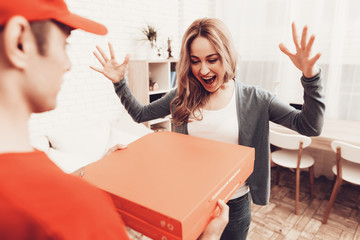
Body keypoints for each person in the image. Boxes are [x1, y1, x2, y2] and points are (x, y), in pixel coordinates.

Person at [0, 0, 229, 239]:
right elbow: (141, 113)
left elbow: (42, 190)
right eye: (64, 44)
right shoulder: (82, 211)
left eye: (211, 60)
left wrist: (91, 172)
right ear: (19, 42)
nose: (68, 65)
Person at [92, 18, 325, 240]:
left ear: (227, 56)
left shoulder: (257, 99)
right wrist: (119, 82)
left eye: (212, 59)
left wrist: (310, 77)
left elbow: (309, 126)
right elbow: (141, 114)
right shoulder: (182, 97)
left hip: (234, 205)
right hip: (187, 203)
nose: (203, 70)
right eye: (195, 61)